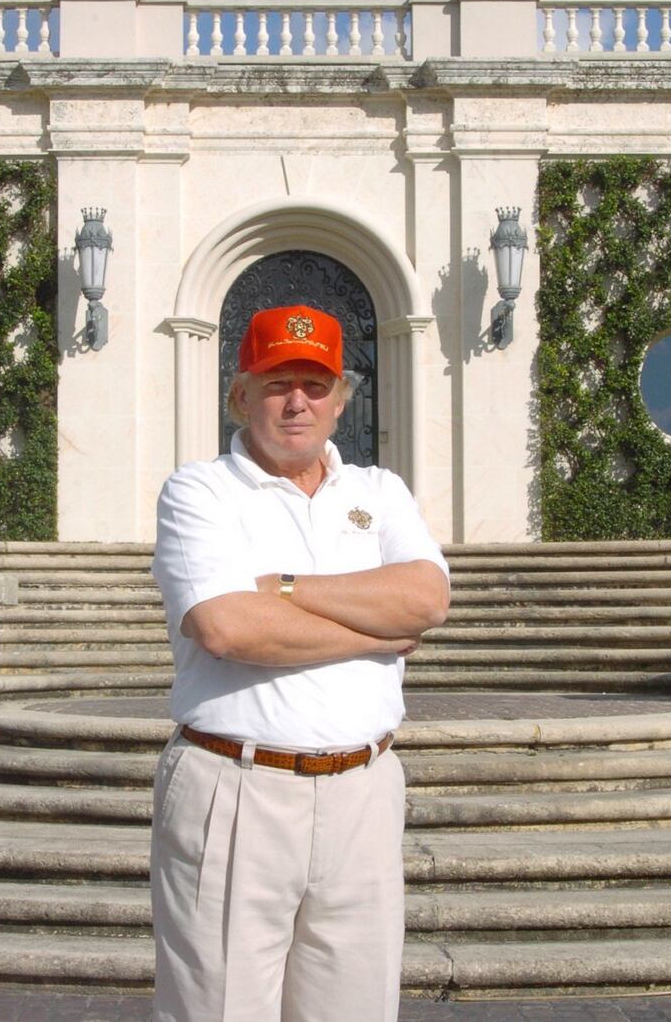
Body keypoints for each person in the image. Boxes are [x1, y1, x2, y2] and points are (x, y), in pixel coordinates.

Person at [148, 303, 451, 1022]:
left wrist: (284, 588)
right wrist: (378, 630)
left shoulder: (380, 493)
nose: (296, 403)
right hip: (237, 788)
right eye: (277, 381)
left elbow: (426, 600)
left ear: (341, 401)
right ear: (240, 395)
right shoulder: (199, 492)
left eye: (315, 386)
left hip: (364, 792)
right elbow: (226, 627)